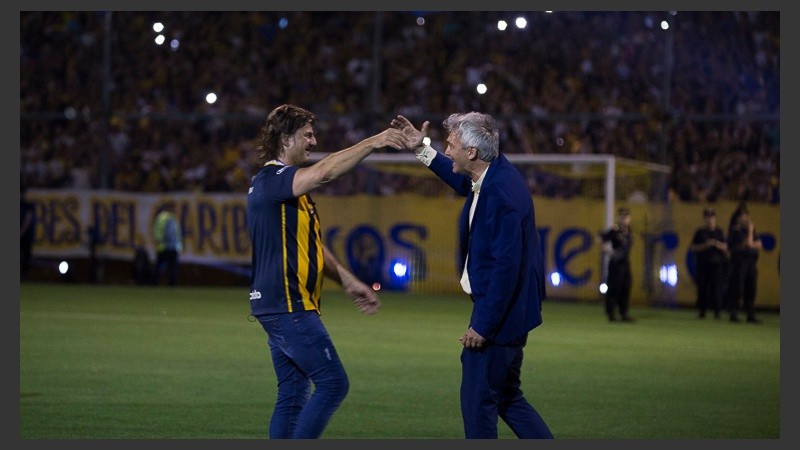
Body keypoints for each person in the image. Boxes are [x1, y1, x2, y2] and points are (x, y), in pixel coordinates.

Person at [247, 104, 415, 439]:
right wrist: (374, 141)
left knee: (293, 393)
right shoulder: (274, 179)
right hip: (289, 304)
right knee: (333, 383)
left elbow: (312, 247)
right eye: (307, 134)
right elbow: (325, 172)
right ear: (286, 138)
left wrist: (349, 281)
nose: (313, 140)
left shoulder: (285, 191)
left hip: (278, 305)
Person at [391, 113, 554, 439]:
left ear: (472, 153)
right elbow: (460, 180)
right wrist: (421, 150)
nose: (447, 151)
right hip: (513, 310)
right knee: (506, 397)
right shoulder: (493, 175)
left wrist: (483, 324)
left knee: (477, 401)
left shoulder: (500, 195)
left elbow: (504, 269)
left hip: (502, 316)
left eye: (451, 146)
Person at [725, 204, 762, 323]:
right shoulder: (736, 230)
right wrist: (751, 232)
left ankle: (750, 314)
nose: (746, 219)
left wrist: (752, 241)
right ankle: (734, 313)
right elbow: (750, 244)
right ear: (738, 219)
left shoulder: (749, 231)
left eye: (747, 216)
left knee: (751, 288)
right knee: (738, 288)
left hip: (751, 262)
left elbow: (759, 244)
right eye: (743, 216)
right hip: (739, 263)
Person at [689, 207, 729, 319]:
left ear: (715, 218)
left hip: (717, 265)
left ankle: (717, 311)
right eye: (707, 217)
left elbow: (726, 247)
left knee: (716, 288)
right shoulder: (700, 232)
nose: (709, 219)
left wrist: (716, 244)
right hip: (703, 265)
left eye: (711, 216)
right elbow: (693, 247)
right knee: (703, 288)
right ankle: (702, 311)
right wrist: (705, 245)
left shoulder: (719, 232)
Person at [600, 207, 634, 322]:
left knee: (626, 287)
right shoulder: (615, 231)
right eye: (622, 217)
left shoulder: (629, 231)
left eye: (626, 217)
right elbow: (602, 238)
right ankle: (611, 313)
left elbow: (626, 248)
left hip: (624, 263)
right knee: (614, 288)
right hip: (615, 264)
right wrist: (608, 250)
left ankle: (623, 312)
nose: (624, 219)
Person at [153, 210, 182, 286]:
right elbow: (171, 233)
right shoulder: (171, 219)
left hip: (163, 247)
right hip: (171, 247)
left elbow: (158, 233)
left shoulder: (161, 218)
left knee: (160, 266)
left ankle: (155, 282)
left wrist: (160, 241)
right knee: (172, 267)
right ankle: (172, 284)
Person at [20, 186, 35, 280]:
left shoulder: (28, 205)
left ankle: (24, 275)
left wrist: (21, 231)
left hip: (26, 235)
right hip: (24, 234)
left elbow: (28, 219)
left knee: (26, 256)